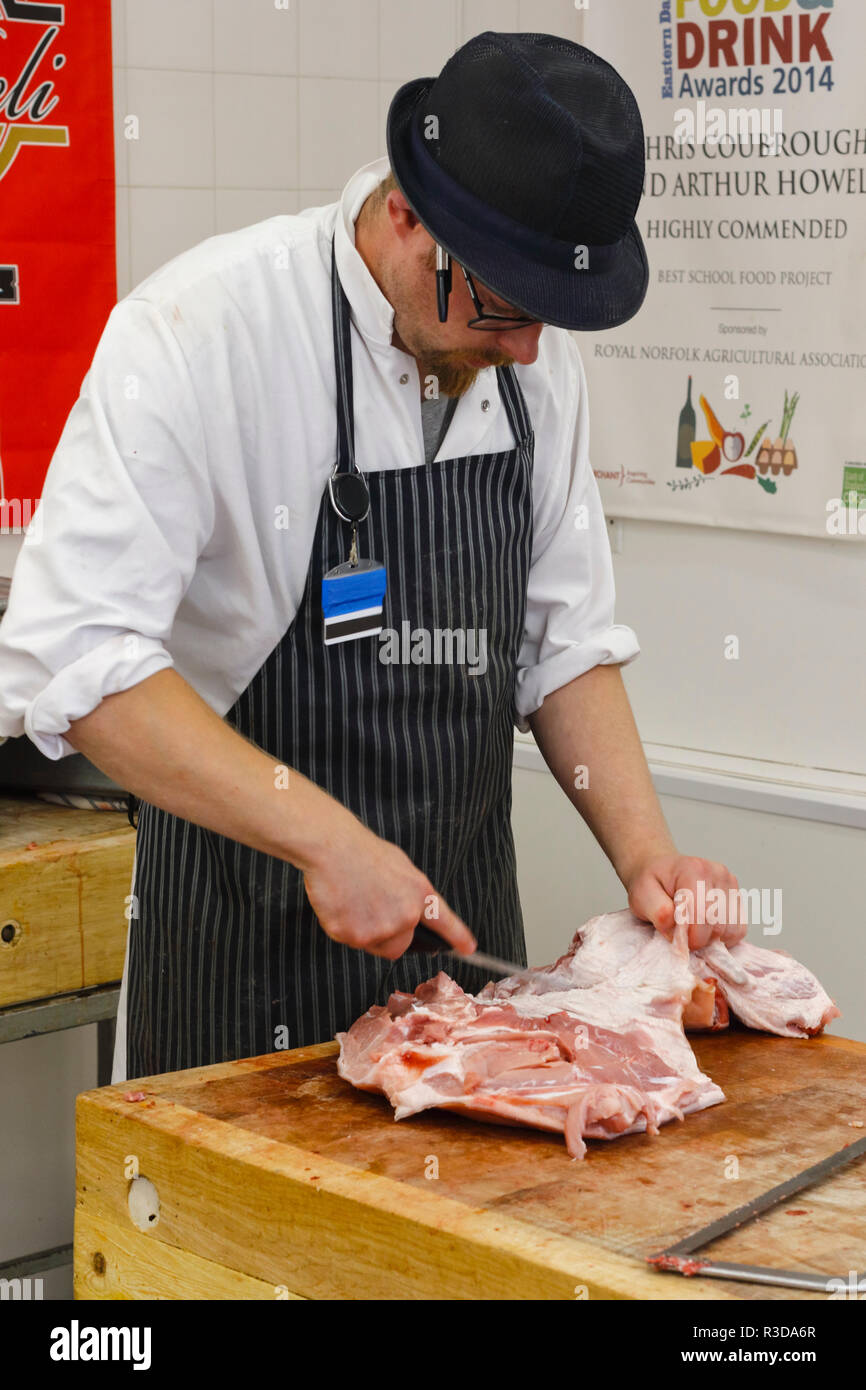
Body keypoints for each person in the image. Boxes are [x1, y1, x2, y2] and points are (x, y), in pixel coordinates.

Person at [0, 33, 743, 1083]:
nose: (528, 352)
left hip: (467, 999)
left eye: (547, 317)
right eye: (504, 308)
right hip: (238, 968)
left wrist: (646, 856)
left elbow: (561, 641)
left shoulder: (527, 357)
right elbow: (76, 663)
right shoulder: (201, 333)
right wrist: (322, 840)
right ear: (407, 218)